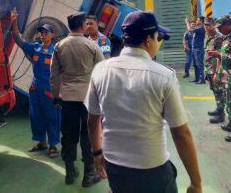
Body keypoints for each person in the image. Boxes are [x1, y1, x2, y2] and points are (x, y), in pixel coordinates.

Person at [85, 11, 202, 193]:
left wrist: (97, 152)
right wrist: (196, 183)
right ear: (148, 40)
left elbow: (93, 120)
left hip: (114, 166)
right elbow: (181, 134)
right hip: (152, 169)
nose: (158, 42)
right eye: (158, 37)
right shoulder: (163, 76)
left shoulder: (100, 70)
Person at [50, 12, 104, 187]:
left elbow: (54, 74)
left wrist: (56, 95)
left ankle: (69, 171)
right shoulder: (92, 46)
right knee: (88, 135)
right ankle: (89, 174)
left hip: (67, 98)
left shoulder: (59, 46)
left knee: (68, 134)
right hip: (88, 99)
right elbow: (102, 72)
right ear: (82, 26)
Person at [10, 8, 60, 158]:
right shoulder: (35, 48)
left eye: (46, 33)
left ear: (52, 35)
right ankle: (41, 142)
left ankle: (53, 145)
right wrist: (14, 23)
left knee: (52, 116)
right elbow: (18, 39)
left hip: (50, 89)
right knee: (35, 115)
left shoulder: (56, 52)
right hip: (35, 88)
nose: (43, 35)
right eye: (41, 32)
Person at [203, 17, 224, 123]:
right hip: (209, 68)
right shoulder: (208, 35)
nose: (205, 26)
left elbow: (219, 55)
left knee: (219, 91)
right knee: (215, 90)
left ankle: (221, 115)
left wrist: (217, 72)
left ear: (213, 25)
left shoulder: (218, 37)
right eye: (205, 25)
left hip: (215, 69)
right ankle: (218, 109)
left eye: (208, 25)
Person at [185, 16, 205, 84]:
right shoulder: (198, 28)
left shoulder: (201, 28)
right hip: (195, 48)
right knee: (195, 64)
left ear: (201, 21)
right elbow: (190, 32)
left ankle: (202, 79)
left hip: (198, 48)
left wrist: (187, 22)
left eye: (198, 20)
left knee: (199, 64)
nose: (196, 21)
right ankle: (197, 78)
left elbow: (190, 30)